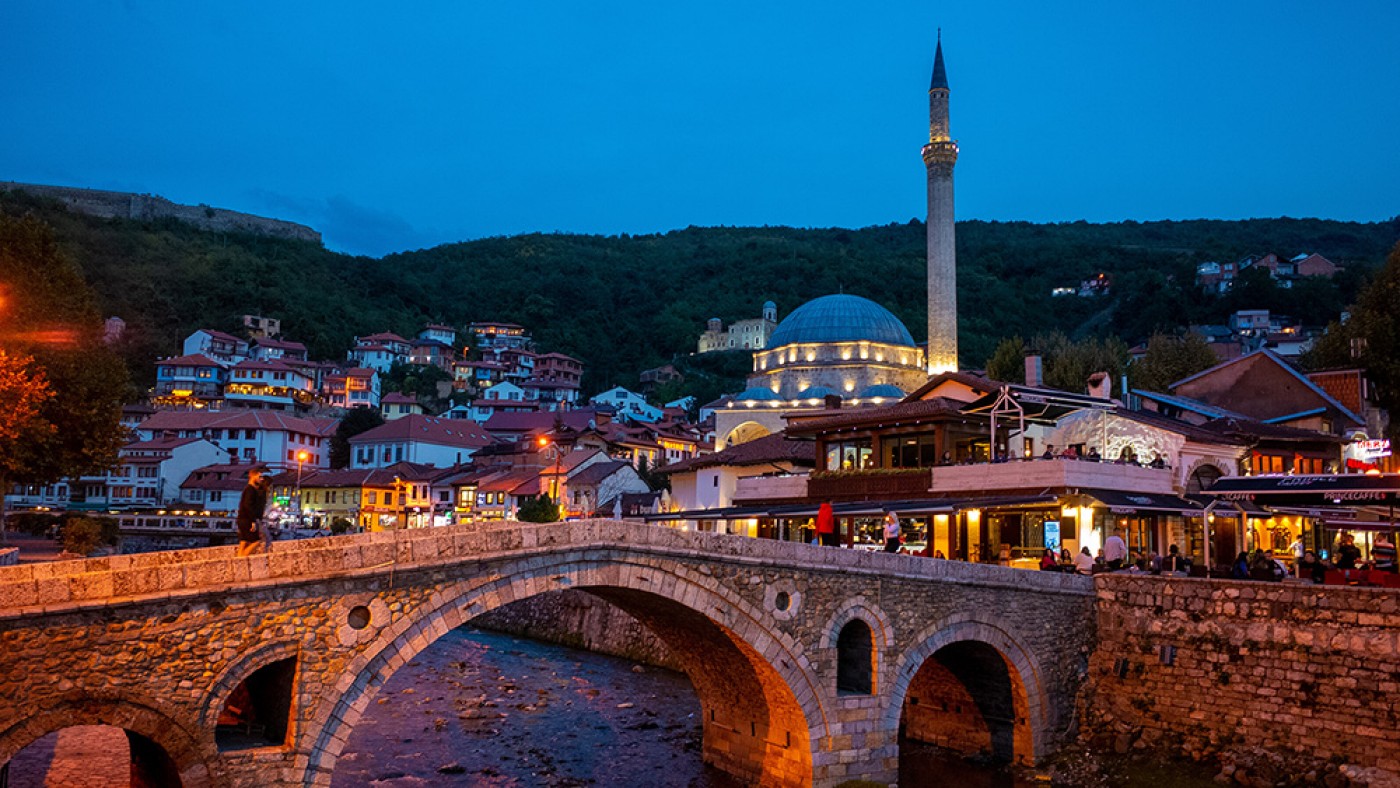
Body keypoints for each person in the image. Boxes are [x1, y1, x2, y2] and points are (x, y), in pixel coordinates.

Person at [236, 466, 270, 557]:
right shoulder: (250, 490)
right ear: (253, 476)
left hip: (242, 519)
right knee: (257, 541)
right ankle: (241, 559)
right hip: (247, 520)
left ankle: (239, 561)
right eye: (260, 477)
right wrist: (253, 521)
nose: (261, 479)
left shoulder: (248, 489)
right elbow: (248, 506)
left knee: (244, 542)